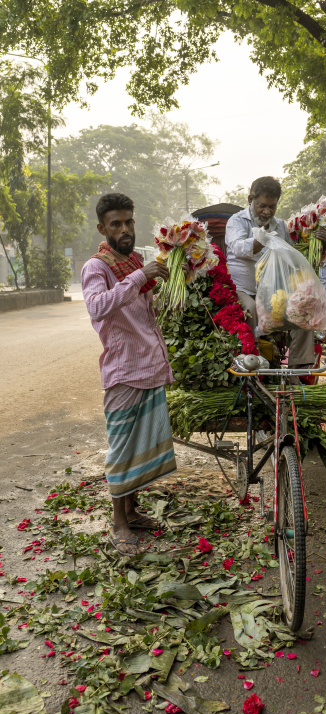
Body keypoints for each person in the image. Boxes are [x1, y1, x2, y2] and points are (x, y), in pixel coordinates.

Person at [82, 193, 176, 557]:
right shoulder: (98, 267)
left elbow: (143, 311)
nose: (124, 229)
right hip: (123, 371)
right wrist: (140, 276)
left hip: (149, 366)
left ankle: (133, 512)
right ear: (102, 228)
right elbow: (97, 307)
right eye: (116, 224)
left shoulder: (134, 261)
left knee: (138, 447)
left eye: (129, 222)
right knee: (122, 448)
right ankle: (118, 523)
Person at [225, 176, 326, 367]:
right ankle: (252, 365)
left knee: (302, 311)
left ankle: (298, 368)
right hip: (243, 289)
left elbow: (294, 256)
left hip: (274, 291)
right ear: (250, 200)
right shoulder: (237, 221)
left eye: (272, 207)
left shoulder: (280, 225)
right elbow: (238, 248)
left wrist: (320, 243)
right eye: (262, 206)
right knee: (251, 310)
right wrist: (262, 238)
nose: (267, 211)